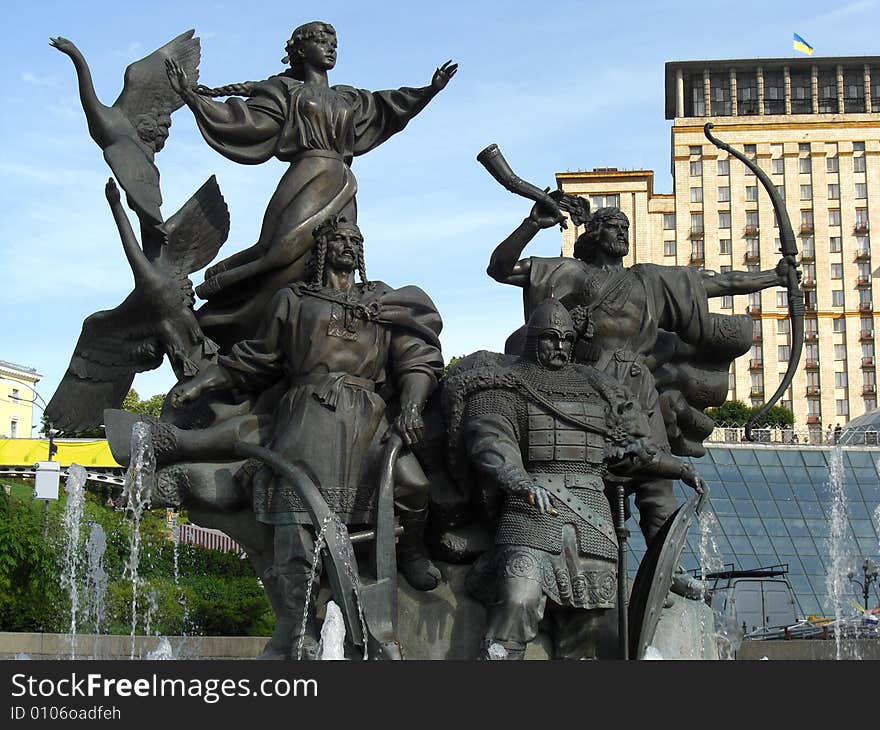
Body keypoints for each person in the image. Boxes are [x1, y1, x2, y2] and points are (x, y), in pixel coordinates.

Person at [167, 214, 445, 658]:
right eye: (340, 239)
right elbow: (257, 359)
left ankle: (409, 550)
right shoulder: (293, 300)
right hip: (306, 415)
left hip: (366, 417)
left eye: (356, 238)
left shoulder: (384, 301)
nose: (349, 245)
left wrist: (411, 406)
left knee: (414, 486)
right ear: (322, 248)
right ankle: (300, 628)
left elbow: (417, 359)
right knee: (295, 522)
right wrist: (200, 384)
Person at [487, 202, 797, 544]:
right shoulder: (569, 272)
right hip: (585, 387)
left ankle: (665, 568)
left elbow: (718, 283)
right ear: (593, 233)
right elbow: (500, 268)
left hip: (637, 390)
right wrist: (532, 224)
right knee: (587, 475)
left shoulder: (650, 280)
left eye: (625, 227)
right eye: (614, 226)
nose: (623, 232)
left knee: (656, 478)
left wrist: (774, 277)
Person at [165, 21, 457, 347]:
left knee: (332, 261)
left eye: (334, 41)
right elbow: (249, 123)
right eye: (321, 40)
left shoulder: (348, 97)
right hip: (307, 174)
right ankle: (221, 299)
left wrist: (429, 91)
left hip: (343, 183)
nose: (331, 47)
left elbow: (388, 107)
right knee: (282, 258)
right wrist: (193, 98)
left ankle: (326, 338)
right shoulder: (284, 91)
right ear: (301, 50)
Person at [447, 299, 704, 659]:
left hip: (592, 523)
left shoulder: (596, 389)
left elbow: (629, 451)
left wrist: (677, 467)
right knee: (519, 599)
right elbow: (491, 440)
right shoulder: (504, 386)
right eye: (551, 338)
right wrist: (519, 480)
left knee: (587, 632)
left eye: (567, 339)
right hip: (532, 515)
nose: (561, 346)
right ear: (533, 339)